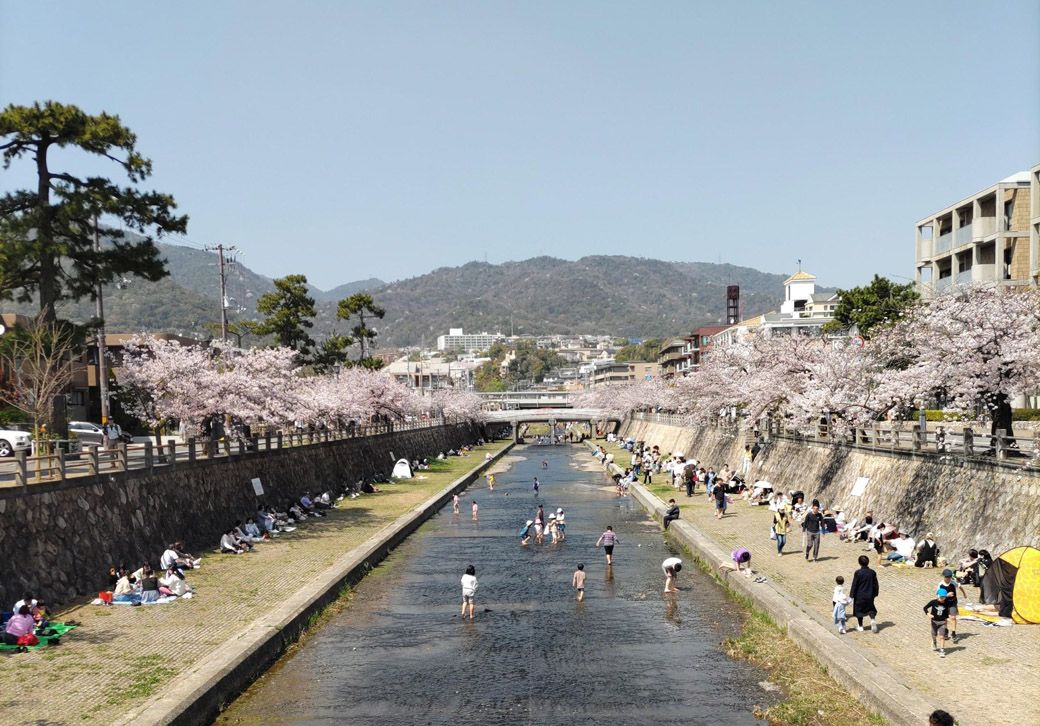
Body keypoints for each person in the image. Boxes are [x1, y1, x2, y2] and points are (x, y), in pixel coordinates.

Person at [849, 555, 880, 633]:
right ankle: (872, 620)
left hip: (860, 595)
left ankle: (860, 626)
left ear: (859, 563)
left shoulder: (858, 573)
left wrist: (851, 595)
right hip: (870, 594)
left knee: (859, 610)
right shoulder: (872, 572)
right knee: (871, 608)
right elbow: (875, 584)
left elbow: (854, 584)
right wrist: (875, 593)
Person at [938, 568, 967, 644]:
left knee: (953, 617)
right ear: (944, 577)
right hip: (944, 603)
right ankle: (946, 631)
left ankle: (953, 633)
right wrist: (946, 595)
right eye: (947, 577)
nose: (948, 579)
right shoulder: (940, 585)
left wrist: (964, 594)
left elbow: (960, 586)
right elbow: (938, 597)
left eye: (949, 577)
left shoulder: (953, 583)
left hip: (953, 602)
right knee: (945, 619)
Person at [923, 591, 951, 657]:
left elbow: (946, 613)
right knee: (934, 635)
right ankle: (934, 641)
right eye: (941, 597)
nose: (942, 599)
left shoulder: (947, 603)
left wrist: (947, 619)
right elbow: (925, 608)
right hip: (934, 622)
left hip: (942, 622)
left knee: (942, 636)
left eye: (943, 597)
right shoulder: (933, 602)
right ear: (938, 596)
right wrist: (928, 614)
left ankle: (942, 650)